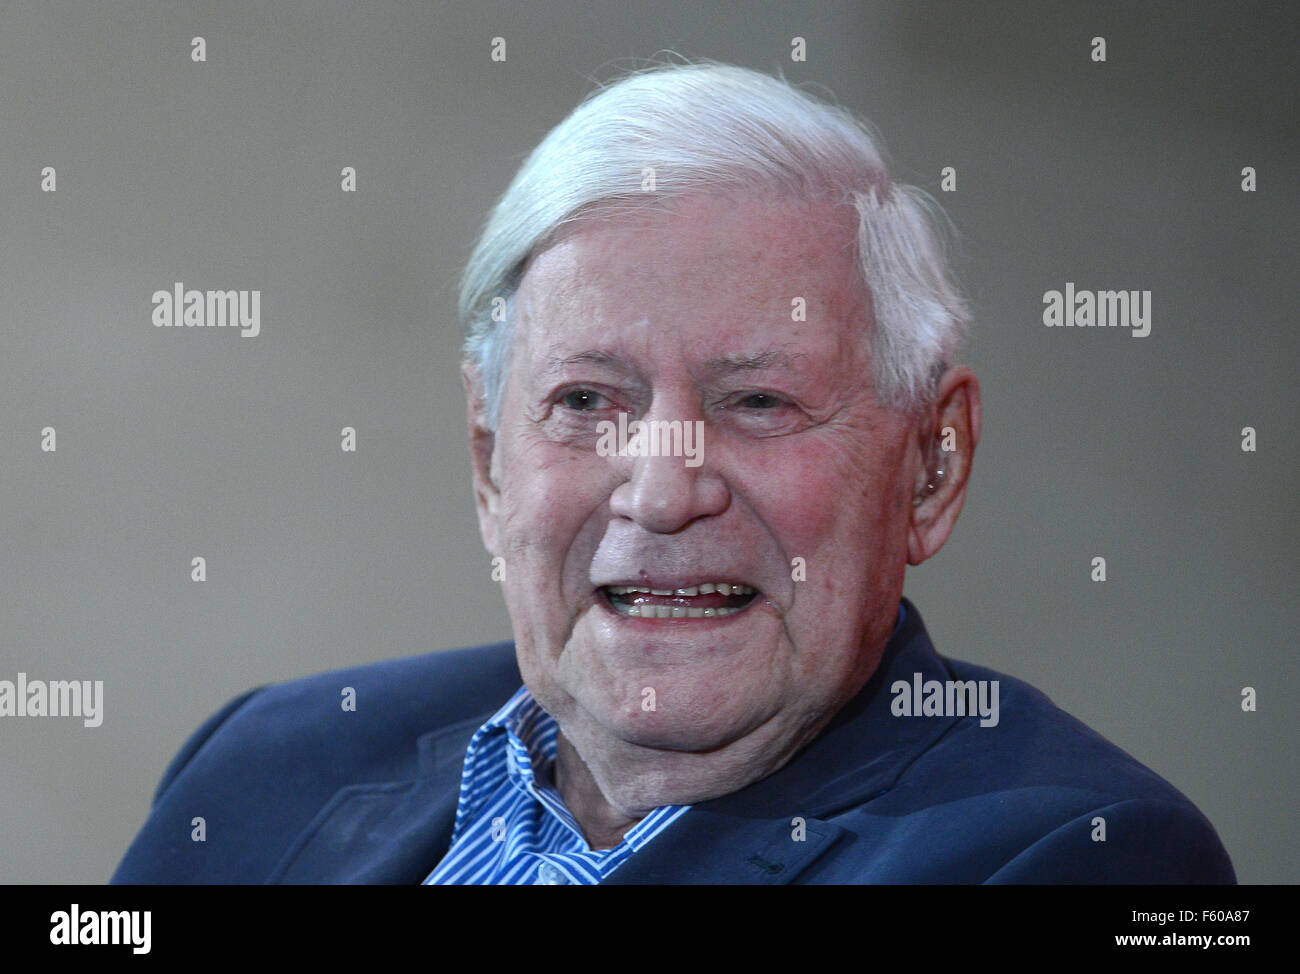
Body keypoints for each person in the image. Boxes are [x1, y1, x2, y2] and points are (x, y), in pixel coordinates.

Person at [112, 60, 1234, 884]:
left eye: (758, 402)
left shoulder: (1083, 854)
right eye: (587, 401)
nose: (661, 489)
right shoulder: (263, 764)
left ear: (931, 466)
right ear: (489, 461)